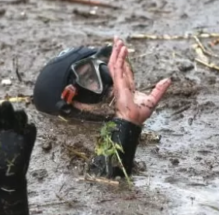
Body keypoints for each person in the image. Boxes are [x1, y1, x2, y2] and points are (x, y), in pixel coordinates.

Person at [32, 36, 171, 178]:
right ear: (67, 107)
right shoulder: (70, 153)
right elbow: (106, 186)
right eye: (89, 77)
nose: (107, 79)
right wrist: (126, 122)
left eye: (103, 67)